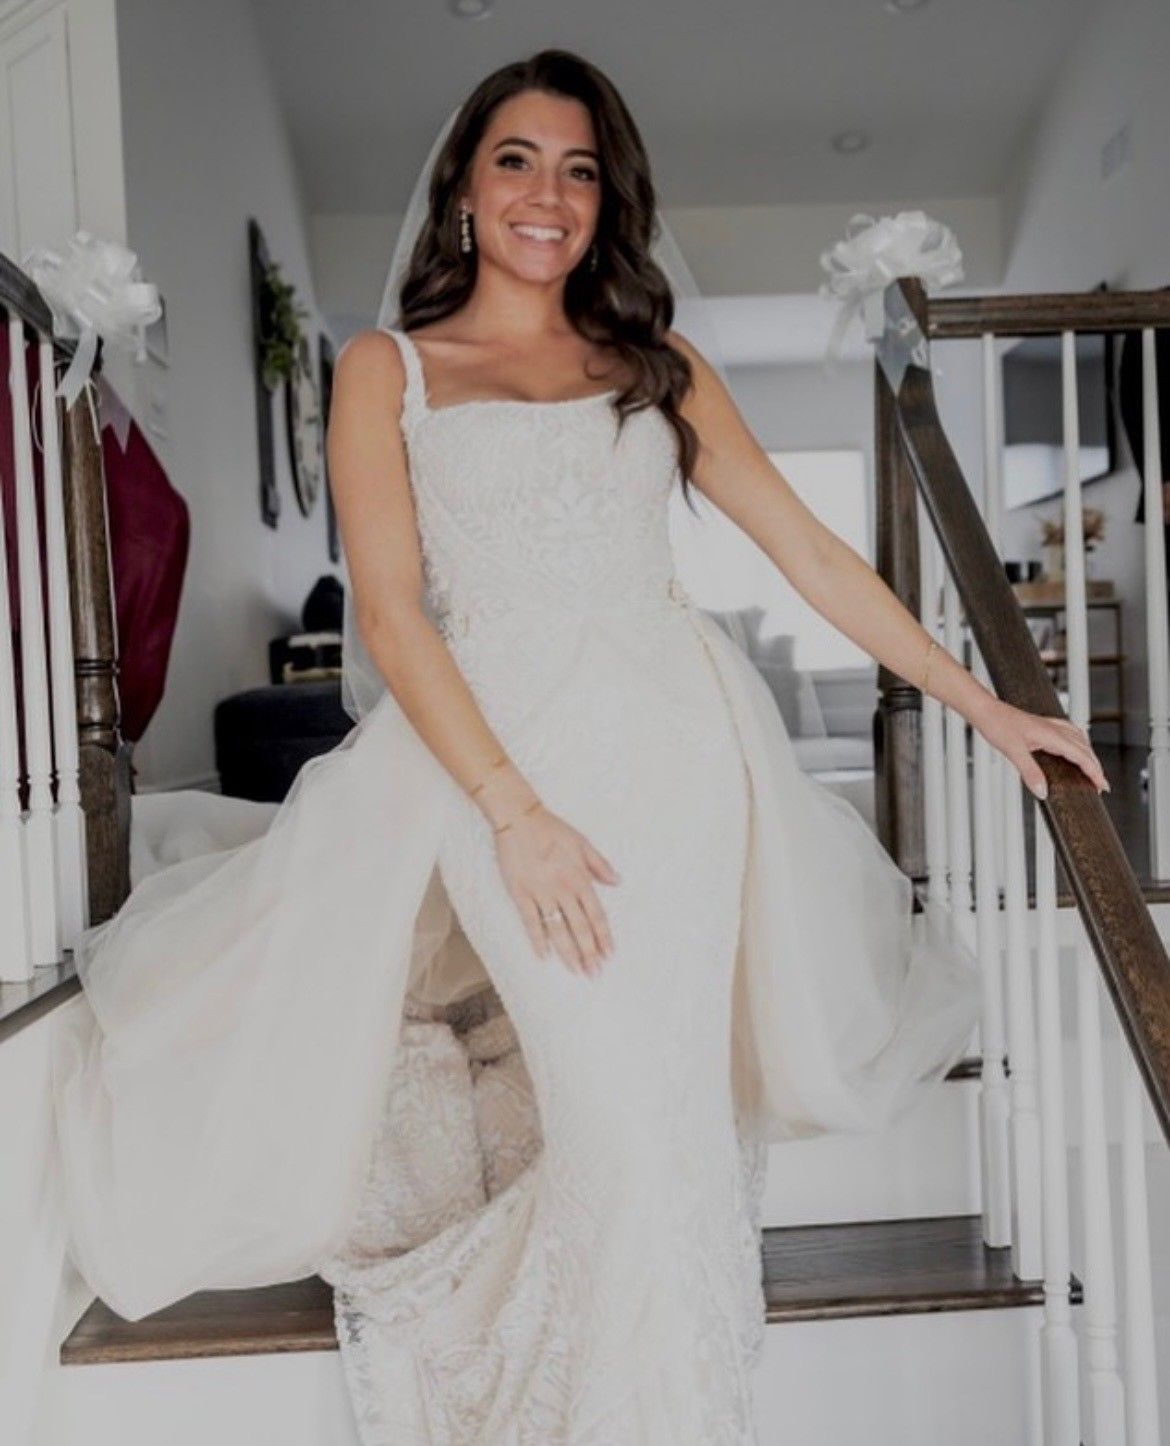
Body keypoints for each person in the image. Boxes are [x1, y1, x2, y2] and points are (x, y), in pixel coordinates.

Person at [51, 48, 1110, 1446]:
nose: (546, 194)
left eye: (578, 168)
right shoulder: (390, 368)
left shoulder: (655, 368)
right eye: (515, 160)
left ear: (608, 201)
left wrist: (981, 702)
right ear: (462, 189)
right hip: (508, 775)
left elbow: (808, 555)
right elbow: (386, 607)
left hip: (679, 766)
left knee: (673, 1134)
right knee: (615, 1126)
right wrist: (511, 808)